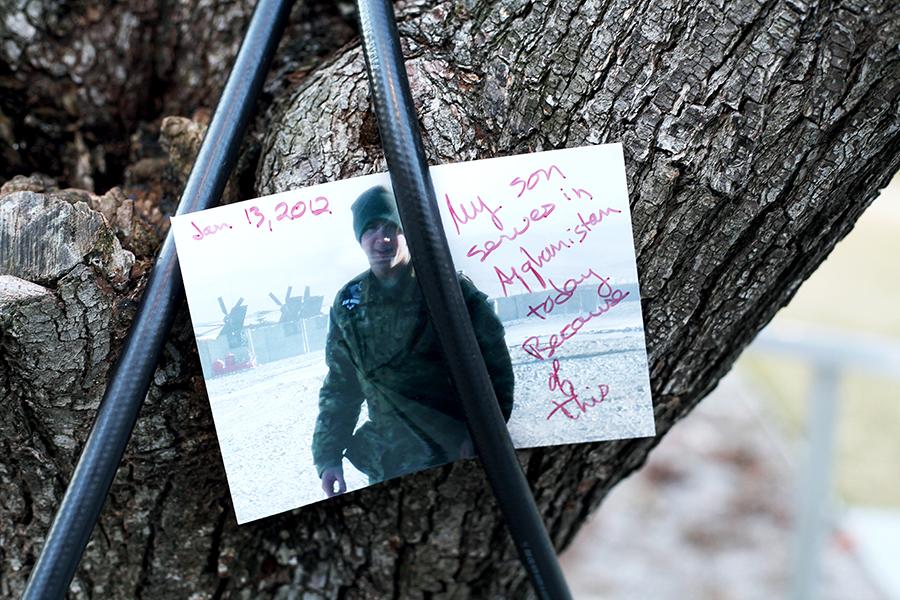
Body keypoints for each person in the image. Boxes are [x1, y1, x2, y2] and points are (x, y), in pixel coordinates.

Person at [312, 185, 514, 497]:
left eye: (393, 227)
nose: (384, 239)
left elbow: (494, 364)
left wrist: (483, 434)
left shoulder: (447, 287)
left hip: (453, 448)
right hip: (389, 460)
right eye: (372, 229)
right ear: (360, 238)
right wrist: (328, 457)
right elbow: (341, 385)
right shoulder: (348, 303)